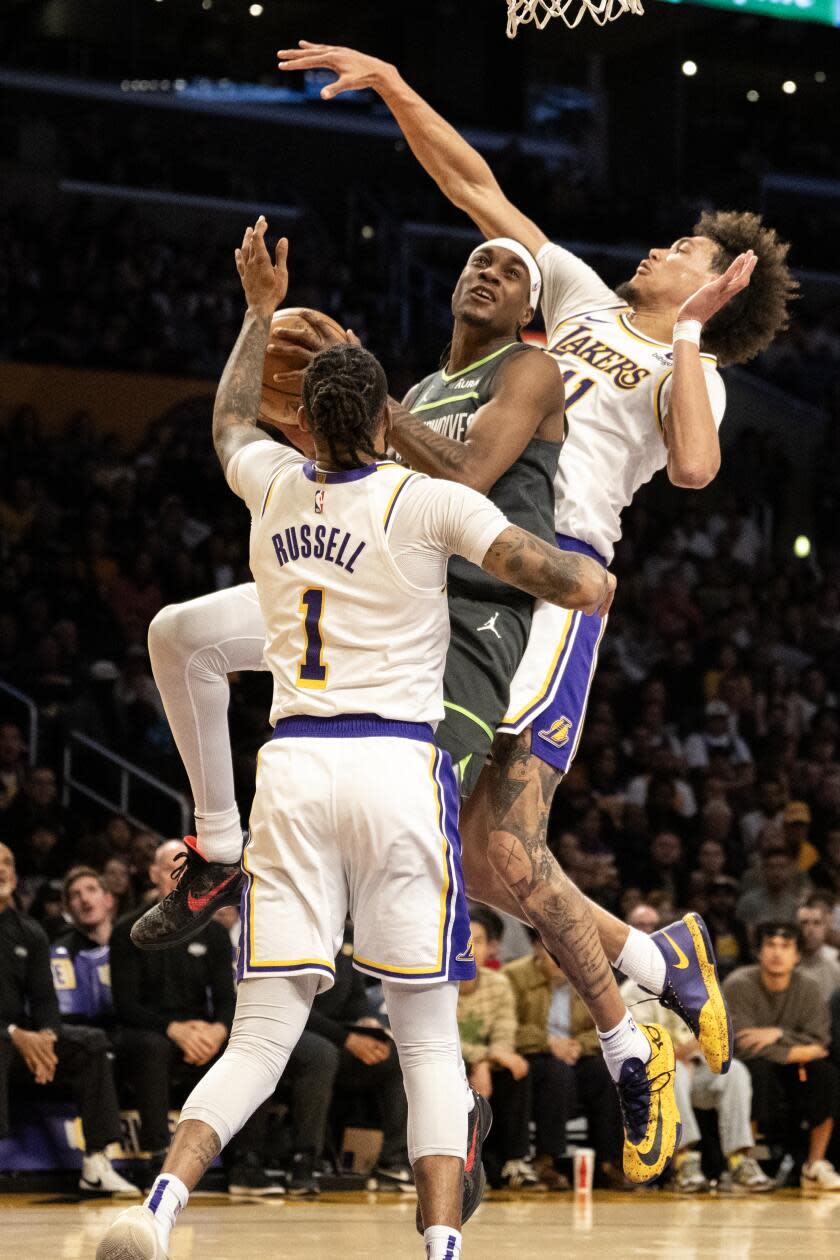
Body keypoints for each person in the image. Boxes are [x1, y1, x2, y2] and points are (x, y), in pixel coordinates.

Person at [275, 38, 796, 1113]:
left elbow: (695, 470)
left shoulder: (685, 372)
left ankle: (642, 999)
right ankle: (662, 969)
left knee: (499, 847)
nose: (659, 250)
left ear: (714, 293)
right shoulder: (579, 296)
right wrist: (399, 83)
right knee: (491, 849)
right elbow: (475, 184)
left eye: (684, 252)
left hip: (547, 583)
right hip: (463, 544)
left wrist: (692, 341)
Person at [95, 217, 616, 1260]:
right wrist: (584, 576)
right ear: (378, 418)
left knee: (264, 1031)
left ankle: (157, 1210)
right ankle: (438, 1248)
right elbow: (560, 573)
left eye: (511, 268)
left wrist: (255, 316)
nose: (491, 269)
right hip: (394, 766)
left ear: (305, 422)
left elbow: (230, 423)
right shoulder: (423, 496)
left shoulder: (273, 482)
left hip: (292, 764)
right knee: (426, 1035)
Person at [0, 843, 138, 1196]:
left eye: (8, 863)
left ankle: (96, 1163)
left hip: (23, 1042)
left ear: (15, 875)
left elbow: (45, 999)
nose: (2, 870)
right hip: (7, 1040)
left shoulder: (29, 931)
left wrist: (46, 1038)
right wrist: (15, 1034)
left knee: (89, 1044)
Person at [620, 904, 773, 1195]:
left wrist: (695, 1050)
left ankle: (740, 1159)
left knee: (735, 1071)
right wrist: (682, 1052)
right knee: (670, 1070)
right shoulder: (630, 990)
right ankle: (684, 1162)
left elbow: (716, 1033)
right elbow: (639, 1048)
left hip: (696, 1067)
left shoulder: (698, 984)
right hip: (653, 1081)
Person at [724, 921, 840, 1192]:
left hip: (793, 1071)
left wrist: (776, 1034)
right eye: (771, 945)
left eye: (785, 947)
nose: (777, 953)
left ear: (797, 955)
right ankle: (745, 1164)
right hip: (750, 1067)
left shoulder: (809, 988)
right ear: (758, 952)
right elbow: (742, 1044)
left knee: (826, 1074)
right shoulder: (738, 984)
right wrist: (797, 1047)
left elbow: (821, 1041)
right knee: (756, 1072)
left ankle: (814, 1165)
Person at [504, 935, 623, 1190]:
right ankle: (546, 1161)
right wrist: (548, 1043)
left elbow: (610, 1024)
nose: (561, 962)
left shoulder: (590, 975)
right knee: (556, 1073)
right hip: (533, 1055)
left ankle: (609, 1162)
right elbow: (508, 1028)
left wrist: (580, 1045)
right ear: (537, 949)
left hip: (577, 1052)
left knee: (605, 1072)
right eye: (553, 954)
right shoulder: (513, 976)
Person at [456, 913, 535, 1189]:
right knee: (462, 1069)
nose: (469, 947)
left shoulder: (499, 983)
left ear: (491, 948)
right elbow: (444, 1038)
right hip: (450, 1061)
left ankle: (514, 1161)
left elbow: (505, 1034)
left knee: (516, 1068)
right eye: (463, 940)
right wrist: (480, 1060)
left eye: (477, 941)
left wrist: (489, 1061)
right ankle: (463, 1163)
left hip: (486, 1063)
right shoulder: (441, 984)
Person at [797, 896, 840, 1005]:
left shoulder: (836, 970)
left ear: (826, 928)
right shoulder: (782, 968)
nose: (810, 930)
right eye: (804, 923)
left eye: (816, 923)